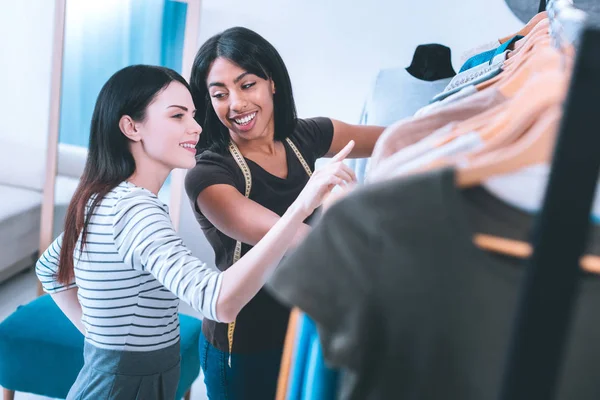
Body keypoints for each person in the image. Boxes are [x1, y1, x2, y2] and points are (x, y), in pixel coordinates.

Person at [35, 64, 355, 400]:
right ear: (131, 127)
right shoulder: (135, 211)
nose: (196, 127)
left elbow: (49, 269)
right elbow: (220, 302)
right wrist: (300, 208)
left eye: (193, 115)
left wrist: (103, 344)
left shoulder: (105, 197)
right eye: (177, 116)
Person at [185, 26, 385, 399]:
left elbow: (396, 137)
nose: (236, 104)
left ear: (271, 82)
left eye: (247, 85)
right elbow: (293, 240)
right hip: (244, 344)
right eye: (219, 94)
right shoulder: (209, 176)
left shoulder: (304, 136)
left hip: (302, 327)